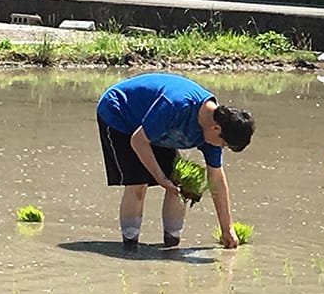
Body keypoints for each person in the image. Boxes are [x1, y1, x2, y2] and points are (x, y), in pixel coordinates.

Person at [96, 73, 256, 250]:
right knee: (137, 183)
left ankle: (172, 245)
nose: (221, 147)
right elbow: (138, 140)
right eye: (223, 144)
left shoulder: (214, 132)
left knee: (180, 184)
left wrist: (227, 228)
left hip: (155, 127)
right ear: (216, 128)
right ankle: (130, 247)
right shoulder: (177, 105)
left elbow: (216, 180)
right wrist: (160, 178)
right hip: (120, 113)